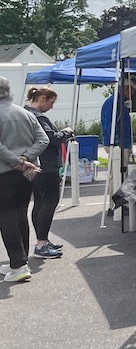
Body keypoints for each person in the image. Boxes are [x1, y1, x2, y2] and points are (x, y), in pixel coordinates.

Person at [0, 77, 49, 284]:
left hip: (4, 172)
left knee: (7, 216)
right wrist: (27, 158)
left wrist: (15, 160)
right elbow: (43, 139)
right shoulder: (25, 112)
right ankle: (20, 260)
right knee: (21, 213)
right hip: (27, 172)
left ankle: (18, 264)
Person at [24, 86, 73, 259]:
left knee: (39, 203)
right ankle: (41, 244)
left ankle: (41, 239)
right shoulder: (39, 117)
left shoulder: (26, 113)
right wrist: (66, 132)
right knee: (49, 203)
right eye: (51, 103)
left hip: (34, 165)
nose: (51, 107)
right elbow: (51, 138)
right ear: (42, 98)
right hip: (47, 166)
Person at [101, 79, 136, 204]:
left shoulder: (116, 102)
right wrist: (116, 143)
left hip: (119, 143)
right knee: (118, 174)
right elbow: (111, 125)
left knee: (118, 174)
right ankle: (116, 204)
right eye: (132, 90)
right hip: (118, 144)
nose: (133, 93)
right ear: (126, 89)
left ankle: (117, 203)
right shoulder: (115, 103)